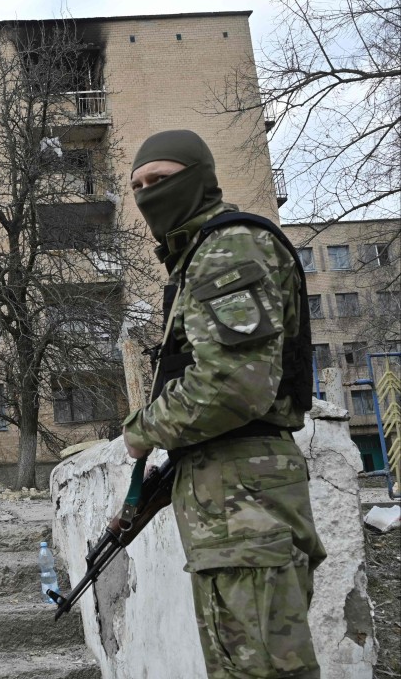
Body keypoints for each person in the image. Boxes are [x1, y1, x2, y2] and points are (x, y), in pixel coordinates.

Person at [120, 129, 327, 679]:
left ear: (200, 179)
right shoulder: (199, 254)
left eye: (160, 181)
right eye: (138, 185)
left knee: (262, 670)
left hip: (246, 495)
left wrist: (144, 430)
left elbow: (234, 385)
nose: (146, 195)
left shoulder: (227, 246)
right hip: (232, 494)